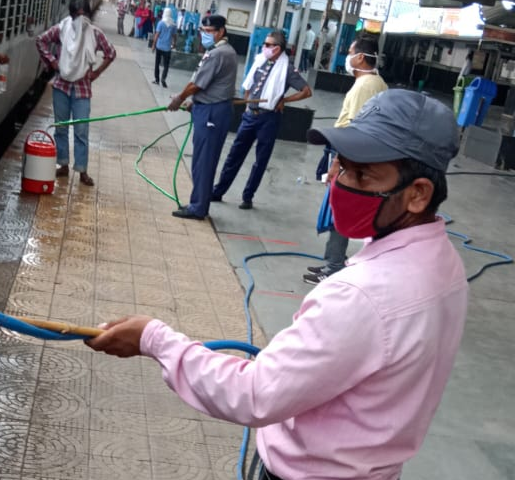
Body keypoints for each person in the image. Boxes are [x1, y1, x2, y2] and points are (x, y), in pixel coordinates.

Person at [86, 88, 467, 480]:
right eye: (341, 166)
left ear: (418, 194)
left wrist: (152, 339)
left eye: (362, 175)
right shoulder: (444, 265)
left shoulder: (362, 295)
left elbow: (254, 394)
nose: (337, 183)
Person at [304, 36, 388, 284]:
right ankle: (332, 261)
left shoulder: (366, 86)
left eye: (351, 52)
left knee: (340, 210)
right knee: (338, 209)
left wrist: (338, 163)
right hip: (354, 156)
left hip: (352, 157)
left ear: (361, 57)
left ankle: (334, 265)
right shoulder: (374, 83)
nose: (348, 57)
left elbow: (355, 130)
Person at [211, 31, 311, 210]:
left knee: (260, 160)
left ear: (277, 48)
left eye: (267, 44)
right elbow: (249, 85)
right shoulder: (260, 60)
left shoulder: (286, 68)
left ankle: (247, 197)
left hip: (269, 118)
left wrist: (284, 100)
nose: (264, 47)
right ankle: (218, 191)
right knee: (234, 155)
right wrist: (248, 105)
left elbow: (306, 91)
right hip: (251, 115)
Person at [35, 0, 116, 186]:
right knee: (61, 128)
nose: (81, 19)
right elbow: (40, 40)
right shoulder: (62, 29)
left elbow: (111, 53)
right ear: (72, 15)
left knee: (81, 131)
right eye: (77, 15)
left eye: (83, 14)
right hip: (61, 86)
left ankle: (82, 170)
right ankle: (62, 165)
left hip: (82, 89)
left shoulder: (95, 33)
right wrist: (53, 62)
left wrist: (96, 72)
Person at [166, 14, 237, 220]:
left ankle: (198, 208)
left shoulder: (218, 54)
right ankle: (198, 202)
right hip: (209, 108)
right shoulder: (221, 51)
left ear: (221, 32)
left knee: (204, 162)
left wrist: (180, 98)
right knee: (201, 160)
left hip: (212, 112)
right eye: (203, 31)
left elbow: (198, 84)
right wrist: (193, 102)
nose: (205, 35)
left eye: (209, 32)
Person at [152, 8, 178, 88]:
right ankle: (163, 78)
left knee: (157, 63)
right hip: (167, 48)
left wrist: (153, 45)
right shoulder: (173, 24)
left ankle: (157, 80)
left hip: (159, 46)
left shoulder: (161, 23)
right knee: (166, 65)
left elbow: (157, 34)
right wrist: (174, 44)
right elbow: (174, 36)